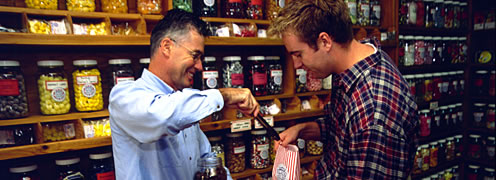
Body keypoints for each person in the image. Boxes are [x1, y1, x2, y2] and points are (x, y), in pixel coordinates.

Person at [269, 0, 418, 179]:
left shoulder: (373, 113)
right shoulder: (354, 64)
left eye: (298, 54)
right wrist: (302, 130)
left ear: (325, 41)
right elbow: (343, 130)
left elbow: (360, 128)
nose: (296, 65)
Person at [109, 9, 259, 179]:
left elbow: (206, 159)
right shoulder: (123, 96)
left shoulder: (186, 102)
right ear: (167, 47)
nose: (200, 67)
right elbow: (161, 116)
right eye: (195, 56)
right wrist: (224, 95)